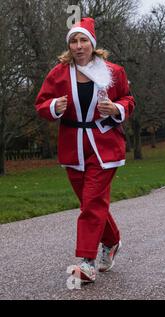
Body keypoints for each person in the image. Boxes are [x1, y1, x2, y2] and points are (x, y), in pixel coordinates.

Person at [35, 18, 135, 283]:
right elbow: (41, 104)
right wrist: (55, 105)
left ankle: (86, 262)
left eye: (83, 41)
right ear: (68, 45)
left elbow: (128, 99)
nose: (78, 46)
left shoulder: (114, 71)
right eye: (73, 41)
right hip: (73, 147)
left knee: (92, 203)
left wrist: (117, 109)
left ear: (92, 44)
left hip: (105, 145)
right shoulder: (58, 73)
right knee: (91, 202)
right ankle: (112, 241)